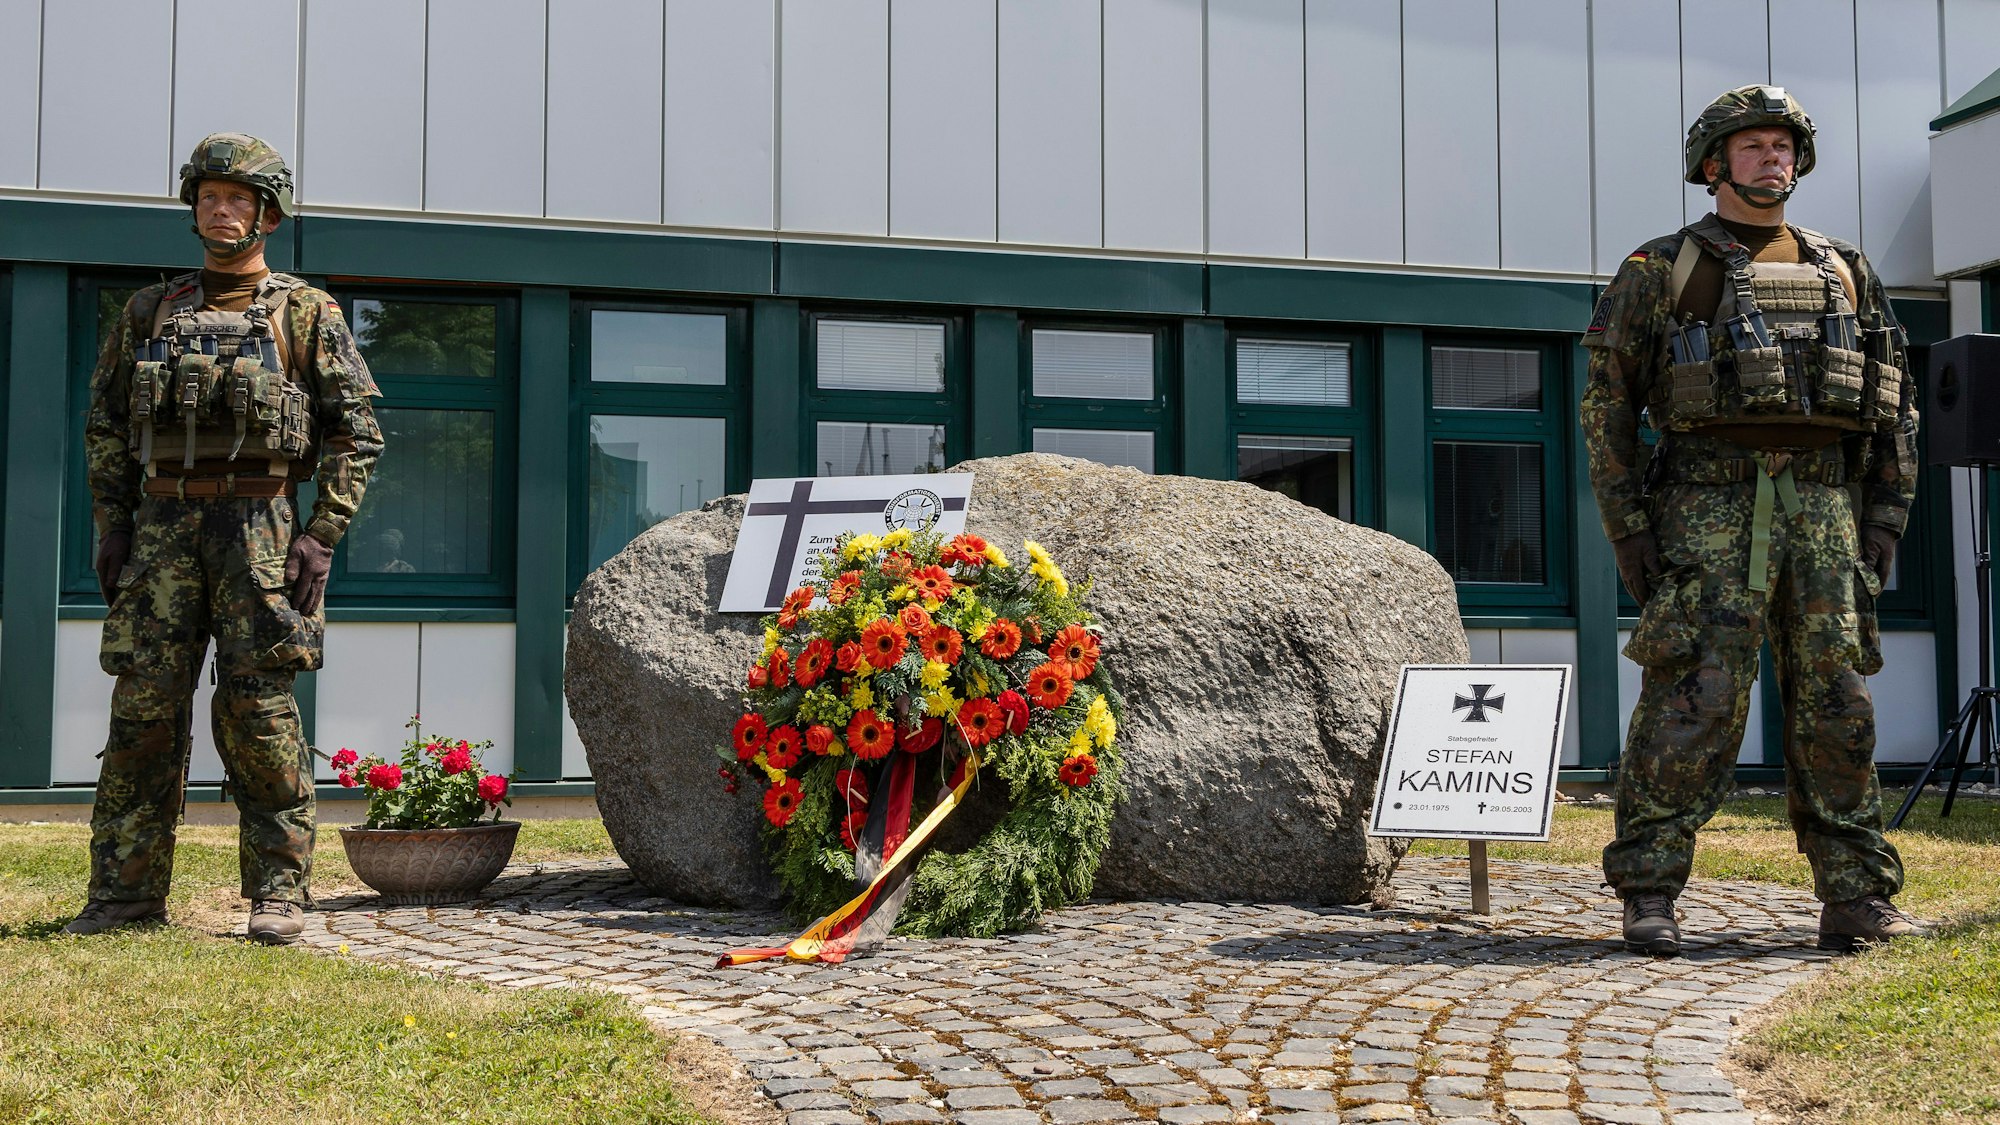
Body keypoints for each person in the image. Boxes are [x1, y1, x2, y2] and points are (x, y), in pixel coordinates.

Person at [1580, 86, 1925, 956]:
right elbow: (1607, 406)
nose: (1772, 158)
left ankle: (1856, 894)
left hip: (1825, 509)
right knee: (1692, 696)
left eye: (1783, 146)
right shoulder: (1659, 269)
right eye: (1752, 146)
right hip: (1705, 504)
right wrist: (1628, 527)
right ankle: (1650, 889)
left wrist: (1883, 515)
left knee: (1838, 701)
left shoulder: (1846, 270)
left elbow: (1896, 403)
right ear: (1712, 163)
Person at [63, 133, 384, 944]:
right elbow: (104, 424)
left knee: (259, 710)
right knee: (142, 709)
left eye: (238, 197)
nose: (220, 209)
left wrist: (323, 532)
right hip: (162, 529)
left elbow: (359, 431)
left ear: (267, 213)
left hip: (263, 531)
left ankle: (278, 891)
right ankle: (124, 893)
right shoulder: (147, 311)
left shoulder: (307, 313)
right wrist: (113, 525)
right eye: (208, 195)